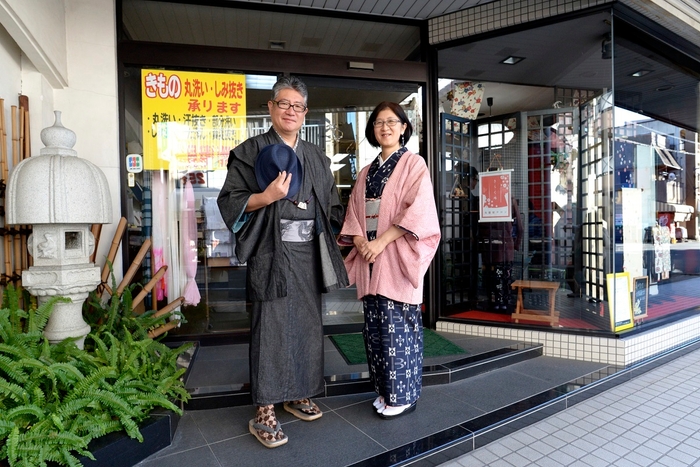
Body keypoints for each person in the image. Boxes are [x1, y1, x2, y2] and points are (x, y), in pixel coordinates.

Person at [217, 76, 349, 448]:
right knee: (270, 328)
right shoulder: (249, 151)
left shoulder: (317, 158)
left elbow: (332, 206)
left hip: (308, 252)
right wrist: (267, 195)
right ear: (271, 108)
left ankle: (298, 392)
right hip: (271, 251)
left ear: (305, 113)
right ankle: (264, 409)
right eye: (284, 104)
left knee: (307, 324)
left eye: (298, 106)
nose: (290, 111)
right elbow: (231, 203)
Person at [338, 101, 440, 419]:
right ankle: (384, 390)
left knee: (400, 328)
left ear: (404, 127)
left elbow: (419, 211)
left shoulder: (414, 165)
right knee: (375, 328)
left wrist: (380, 241)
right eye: (379, 122)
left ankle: (404, 394)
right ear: (373, 130)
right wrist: (361, 242)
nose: (385, 127)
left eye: (392, 122)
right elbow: (354, 212)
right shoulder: (367, 172)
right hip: (370, 255)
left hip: (395, 253)